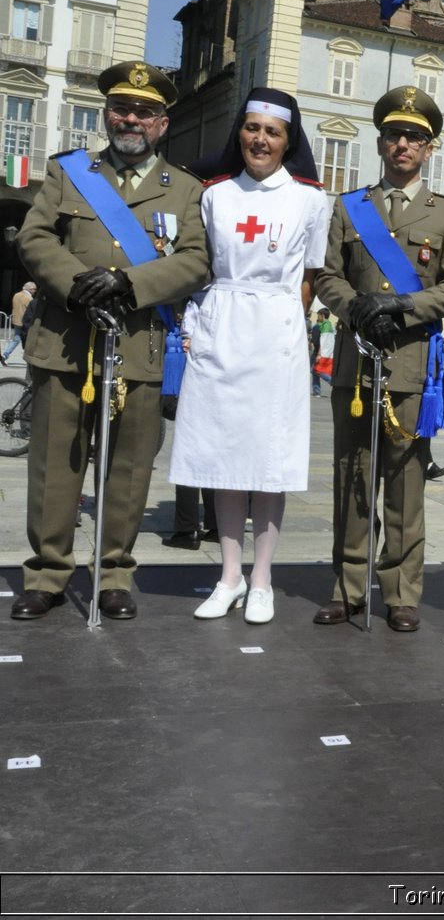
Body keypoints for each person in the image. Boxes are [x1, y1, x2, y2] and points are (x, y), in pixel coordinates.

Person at [12, 61, 209, 621]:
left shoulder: (186, 190)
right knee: (55, 461)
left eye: (145, 112)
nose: (132, 119)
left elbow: (196, 261)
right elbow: (34, 238)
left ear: (162, 124)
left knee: (128, 468)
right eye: (122, 109)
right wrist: (79, 284)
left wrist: (129, 282)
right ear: (106, 115)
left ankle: (115, 572)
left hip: (138, 342)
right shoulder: (68, 173)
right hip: (67, 338)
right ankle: (48, 573)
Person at [313, 86, 444, 632]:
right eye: (395, 135)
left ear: (431, 149)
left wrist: (400, 305)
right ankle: (347, 588)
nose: (403, 144)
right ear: (380, 142)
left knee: (405, 486)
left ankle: (401, 592)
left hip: (408, 367)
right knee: (352, 480)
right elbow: (328, 276)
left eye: (415, 138)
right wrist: (358, 310)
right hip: (357, 366)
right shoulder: (348, 206)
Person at [170, 87, 329, 625]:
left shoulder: (310, 199)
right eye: (252, 128)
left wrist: (290, 329)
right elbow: (201, 264)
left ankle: (262, 579)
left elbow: (309, 277)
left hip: (276, 330)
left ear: (289, 141)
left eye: (273, 131)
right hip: (223, 322)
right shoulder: (215, 195)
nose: (261, 139)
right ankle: (229, 575)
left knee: (269, 461)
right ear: (239, 132)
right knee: (223, 457)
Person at [2, 281, 35, 364]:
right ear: (30, 289)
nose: (35, 291)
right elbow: (32, 312)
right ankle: (29, 360)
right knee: (29, 341)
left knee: (16, 339)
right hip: (26, 323)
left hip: (16, 321)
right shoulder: (29, 298)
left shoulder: (16, 295)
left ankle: (5, 354)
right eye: (34, 289)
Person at [311, 307, 335, 397]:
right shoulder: (329, 325)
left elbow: (323, 340)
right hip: (327, 353)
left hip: (323, 353)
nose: (318, 317)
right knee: (315, 371)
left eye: (319, 315)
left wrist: (319, 354)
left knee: (317, 370)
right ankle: (316, 391)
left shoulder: (325, 325)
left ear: (322, 315)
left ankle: (332, 382)